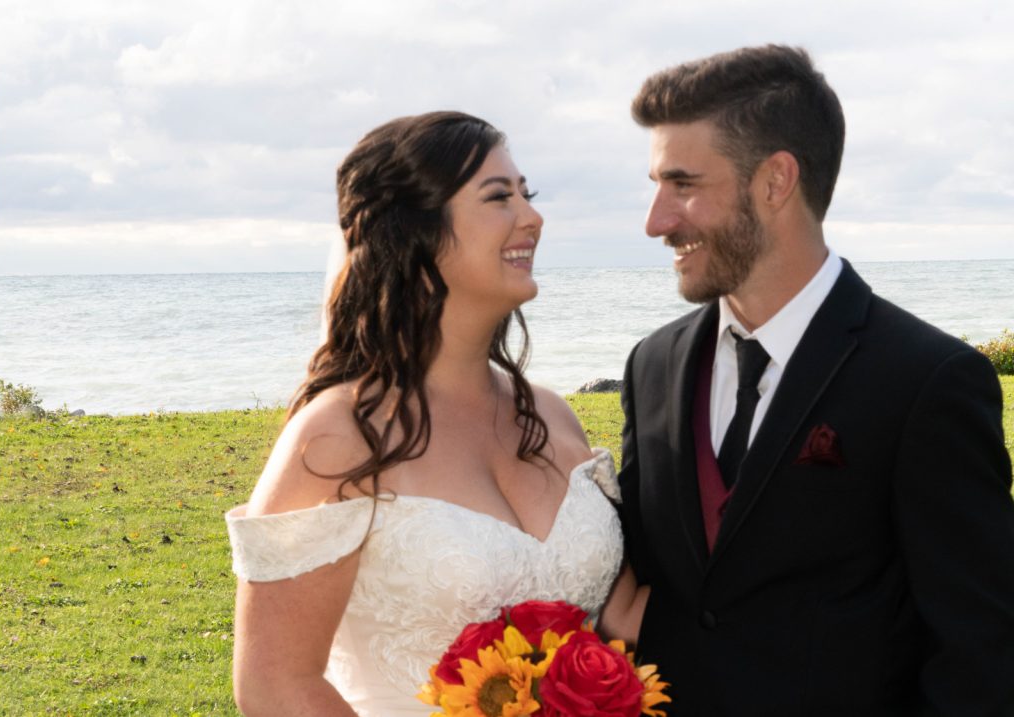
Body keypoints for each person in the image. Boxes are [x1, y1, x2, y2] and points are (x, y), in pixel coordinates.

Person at [618, 45, 1014, 716]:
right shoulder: (650, 366)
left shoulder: (928, 380)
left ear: (775, 182)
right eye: (655, 186)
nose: (655, 220)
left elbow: (980, 654)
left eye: (682, 184)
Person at [226, 111, 642, 716]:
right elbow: (277, 685)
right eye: (499, 197)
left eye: (527, 193)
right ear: (415, 233)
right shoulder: (339, 436)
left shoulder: (551, 415)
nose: (532, 217)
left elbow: (622, 616)